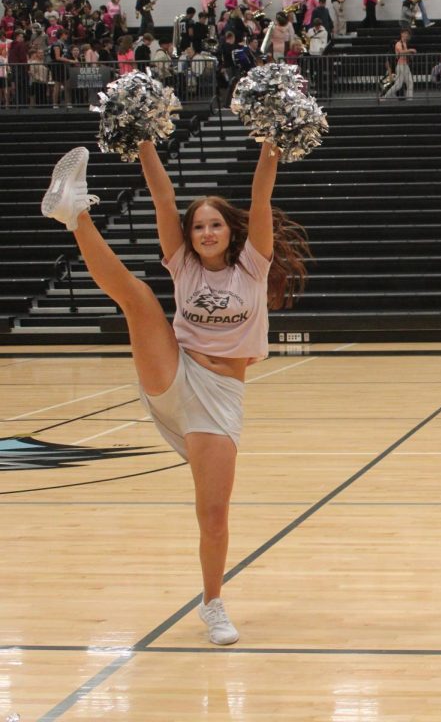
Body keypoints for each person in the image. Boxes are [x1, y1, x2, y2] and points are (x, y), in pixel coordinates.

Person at [40, 133, 311, 645]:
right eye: (198, 226)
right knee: (140, 299)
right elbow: (163, 199)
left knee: (212, 514)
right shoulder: (182, 263)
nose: (206, 232)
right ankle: (75, 214)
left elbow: (260, 198)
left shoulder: (254, 265)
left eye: (214, 224)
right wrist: (141, 139)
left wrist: (272, 143)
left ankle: (212, 604)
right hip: (175, 372)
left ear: (231, 232)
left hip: (219, 398)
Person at [381, 30, 414, 101]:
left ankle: (410, 99)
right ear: (401, 34)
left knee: (409, 82)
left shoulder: (405, 43)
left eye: (407, 34)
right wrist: (410, 50)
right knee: (398, 85)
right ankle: (384, 96)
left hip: (405, 65)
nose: (406, 35)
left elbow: (405, 53)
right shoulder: (398, 44)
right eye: (405, 34)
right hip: (400, 66)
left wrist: (410, 55)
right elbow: (401, 52)